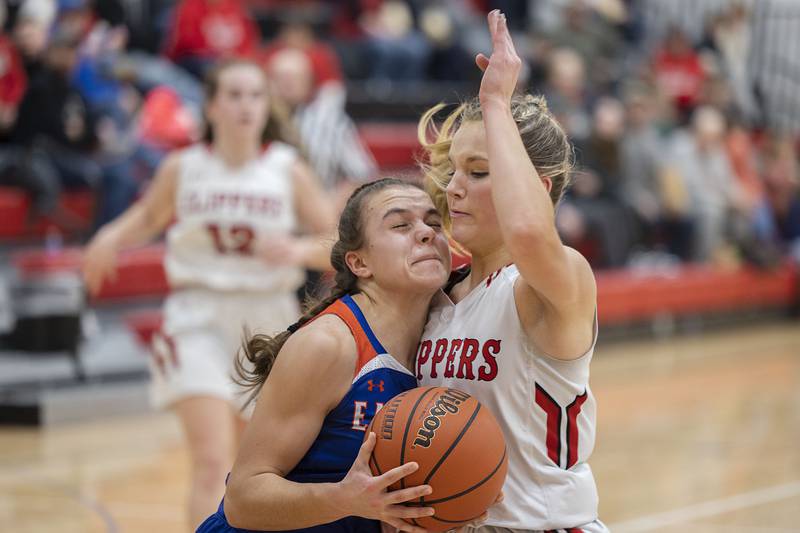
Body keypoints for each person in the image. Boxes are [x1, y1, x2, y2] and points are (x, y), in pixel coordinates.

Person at [82, 59, 336, 529]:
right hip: (195, 315)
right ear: (213, 106)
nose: (246, 105)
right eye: (235, 95)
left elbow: (335, 245)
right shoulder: (184, 166)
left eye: (256, 95)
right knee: (210, 456)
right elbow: (147, 218)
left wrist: (297, 248)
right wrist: (108, 238)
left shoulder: (287, 167)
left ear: (267, 106)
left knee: (251, 465)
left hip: (266, 321)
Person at [416, 11, 607, 532]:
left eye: (479, 173)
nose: (453, 187)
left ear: (537, 189)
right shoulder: (436, 295)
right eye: (453, 170)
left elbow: (528, 233)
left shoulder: (557, 281)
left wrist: (495, 102)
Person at [197, 178, 452, 532]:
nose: (426, 233)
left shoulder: (447, 343)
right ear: (360, 263)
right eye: (400, 225)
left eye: (434, 223)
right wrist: (345, 499)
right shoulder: (328, 345)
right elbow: (242, 499)